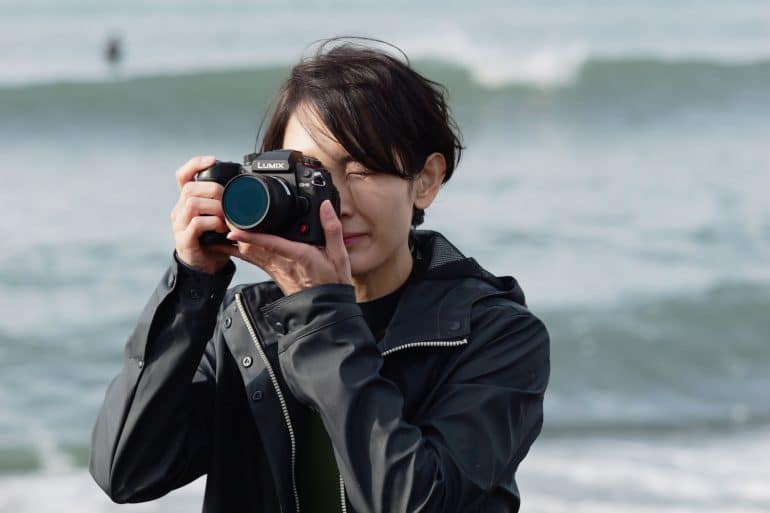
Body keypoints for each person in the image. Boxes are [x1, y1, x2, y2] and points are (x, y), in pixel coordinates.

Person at [89, 36, 551, 513]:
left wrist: (320, 315)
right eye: (312, 175)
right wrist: (192, 285)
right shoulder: (246, 326)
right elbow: (126, 472)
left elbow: (418, 502)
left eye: (362, 170)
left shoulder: (496, 335)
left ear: (425, 180)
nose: (337, 203)